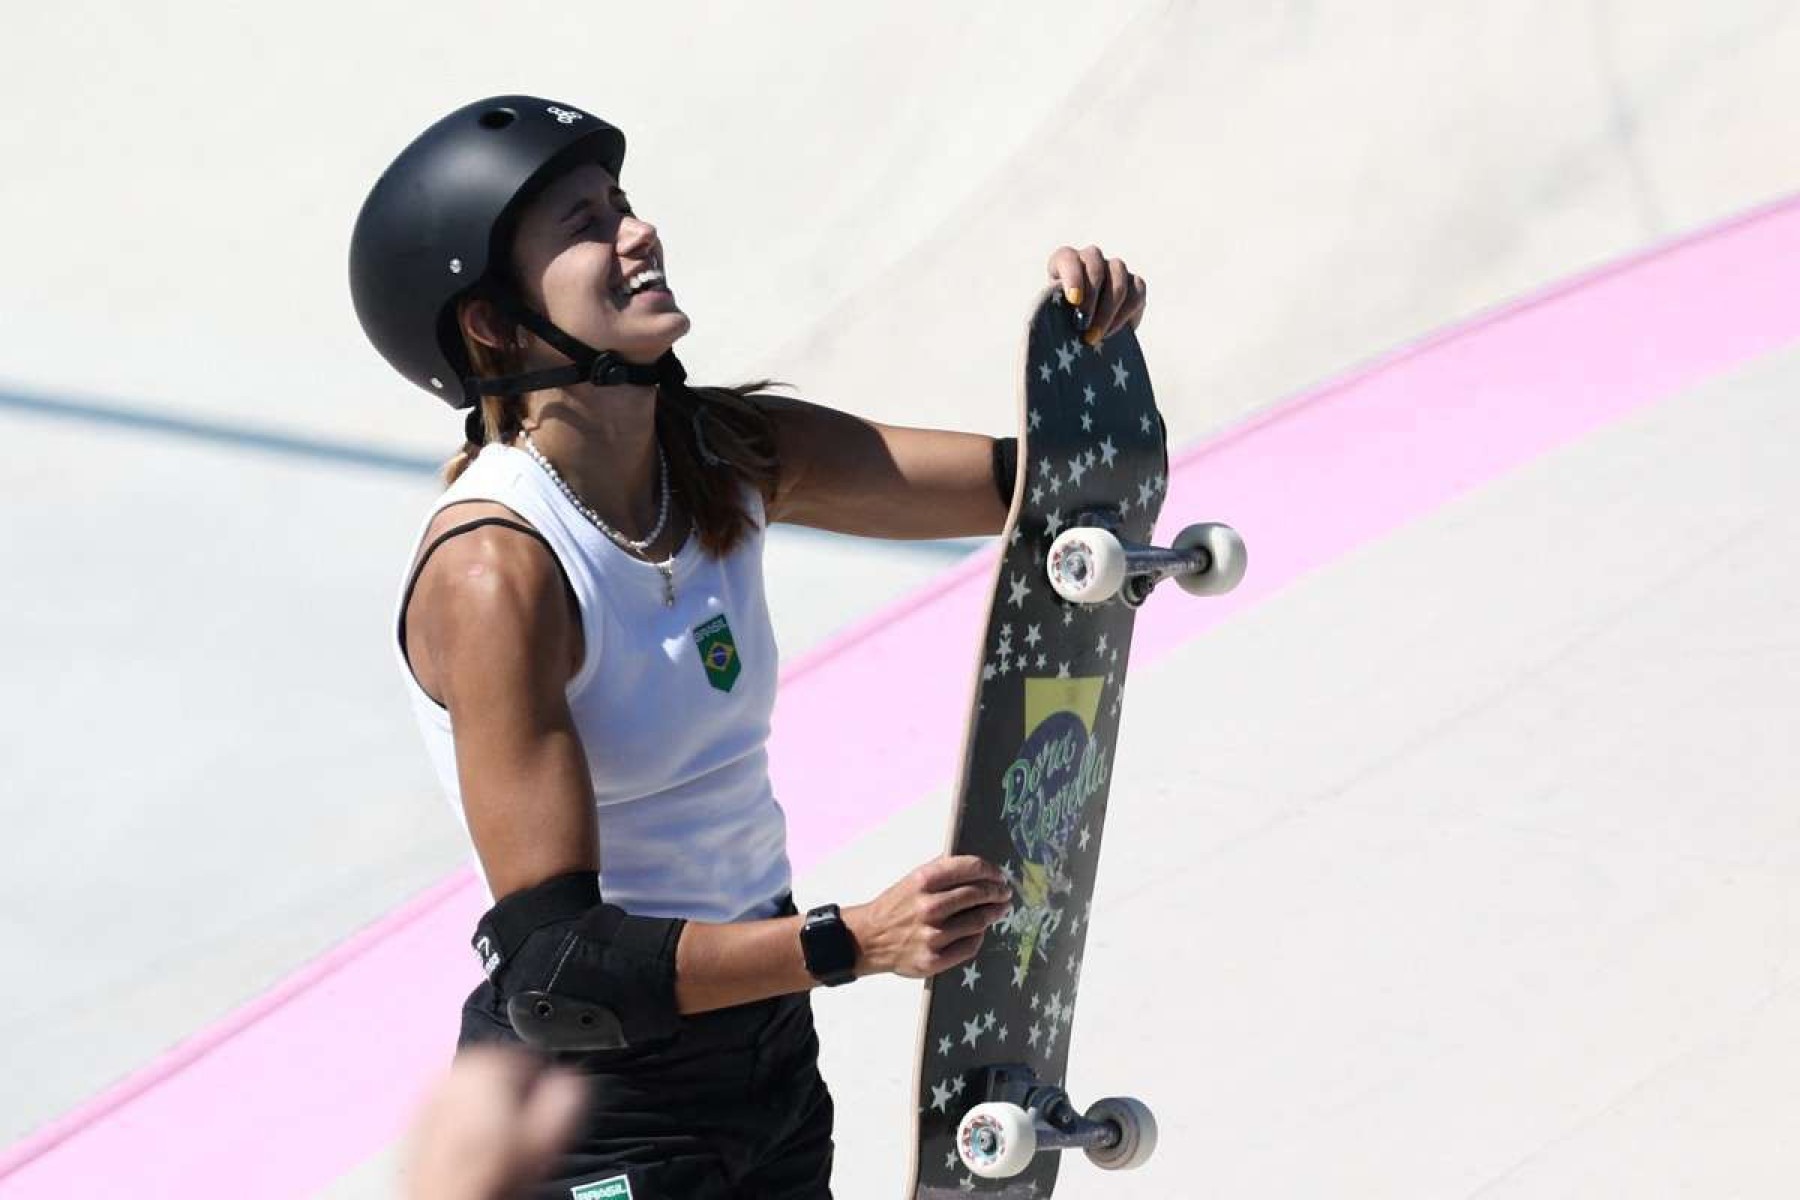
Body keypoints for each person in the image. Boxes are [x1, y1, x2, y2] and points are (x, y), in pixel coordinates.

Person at [351, 95, 1147, 1199]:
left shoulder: (724, 454)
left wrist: (1088, 351)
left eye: (624, 202)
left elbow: (1055, 496)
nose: (636, 232)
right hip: (598, 1110)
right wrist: (851, 942)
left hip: (765, 1065)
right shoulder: (499, 570)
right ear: (493, 324)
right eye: (584, 223)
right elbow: (556, 967)